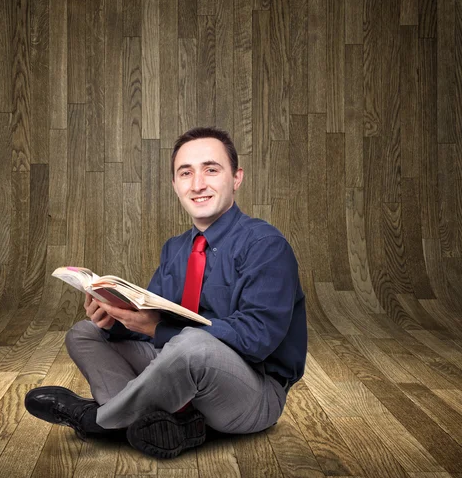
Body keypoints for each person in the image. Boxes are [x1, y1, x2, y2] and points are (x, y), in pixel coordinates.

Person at [25, 127, 307, 459]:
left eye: (211, 170)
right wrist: (115, 320)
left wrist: (158, 329)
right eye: (185, 173)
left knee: (193, 345)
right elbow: (152, 324)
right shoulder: (175, 249)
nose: (198, 184)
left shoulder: (265, 245)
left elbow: (257, 338)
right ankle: (173, 425)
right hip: (180, 371)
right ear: (175, 185)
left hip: (254, 391)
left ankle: (99, 420)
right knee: (84, 333)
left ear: (236, 178)